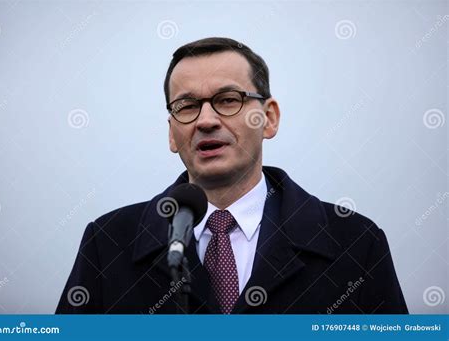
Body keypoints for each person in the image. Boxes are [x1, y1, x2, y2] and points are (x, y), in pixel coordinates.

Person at [56, 37, 408, 314]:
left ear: (269, 118)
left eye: (228, 100)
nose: (206, 121)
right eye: (187, 106)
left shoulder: (356, 242)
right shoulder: (108, 242)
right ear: (171, 133)